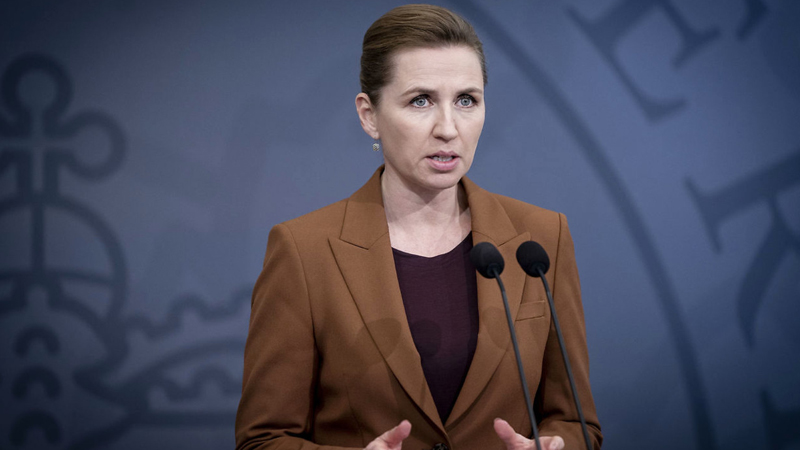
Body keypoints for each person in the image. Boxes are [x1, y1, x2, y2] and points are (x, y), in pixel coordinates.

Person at [235, 4, 602, 450]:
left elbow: (576, 422)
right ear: (369, 115)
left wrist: (558, 445)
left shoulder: (541, 238)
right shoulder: (304, 251)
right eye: (420, 101)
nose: (448, 128)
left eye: (466, 100)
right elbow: (263, 439)